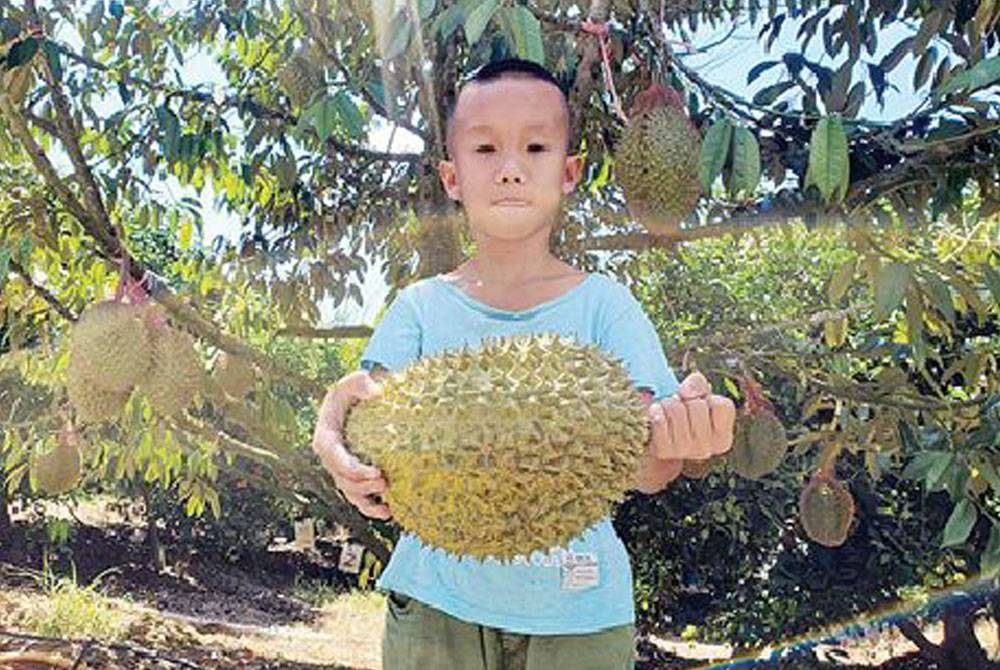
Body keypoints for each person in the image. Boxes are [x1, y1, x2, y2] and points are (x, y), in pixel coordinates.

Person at [311, 57, 736, 670]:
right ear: (452, 178)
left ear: (568, 174)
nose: (510, 169)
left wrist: (687, 433)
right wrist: (330, 428)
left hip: (581, 615)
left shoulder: (607, 306)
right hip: (436, 608)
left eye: (534, 147)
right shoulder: (419, 307)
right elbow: (363, 409)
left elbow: (647, 464)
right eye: (485, 149)